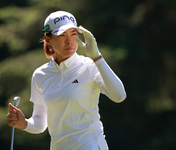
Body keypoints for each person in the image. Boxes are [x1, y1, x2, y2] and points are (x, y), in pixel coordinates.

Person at [7, 10, 126, 150]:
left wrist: (97, 57)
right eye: (62, 35)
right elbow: (40, 122)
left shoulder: (88, 66)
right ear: (48, 40)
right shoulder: (40, 75)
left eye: (73, 34)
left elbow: (119, 96)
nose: (69, 40)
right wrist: (25, 123)